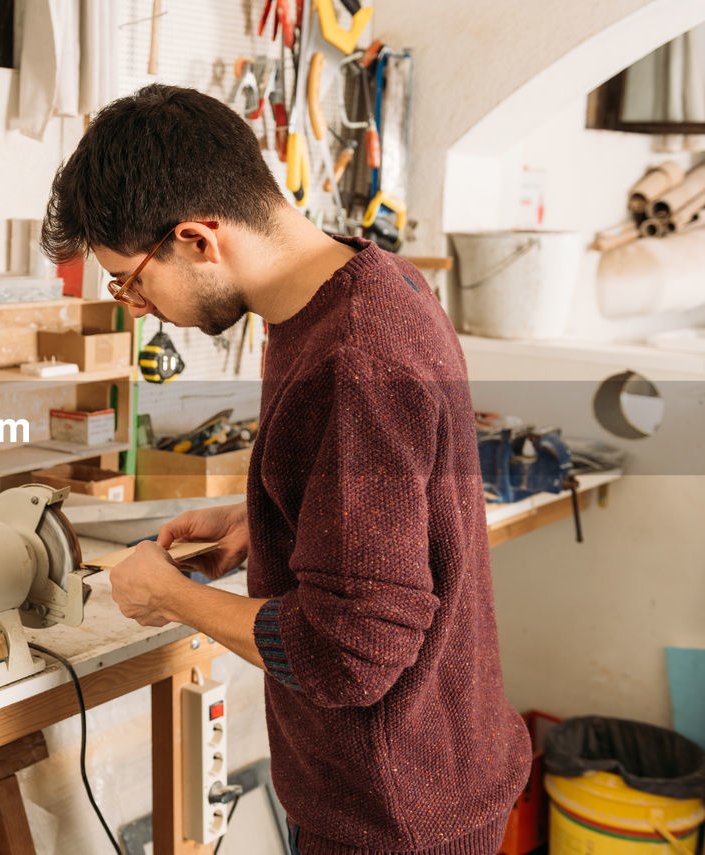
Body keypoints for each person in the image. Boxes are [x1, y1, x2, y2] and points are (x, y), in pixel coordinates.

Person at [40, 84, 531, 855]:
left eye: (131, 279)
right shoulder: (360, 286)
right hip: (407, 779)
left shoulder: (355, 354)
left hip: (394, 816)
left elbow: (350, 655)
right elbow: (396, 509)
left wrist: (171, 596)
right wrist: (264, 517)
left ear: (199, 238)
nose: (135, 306)